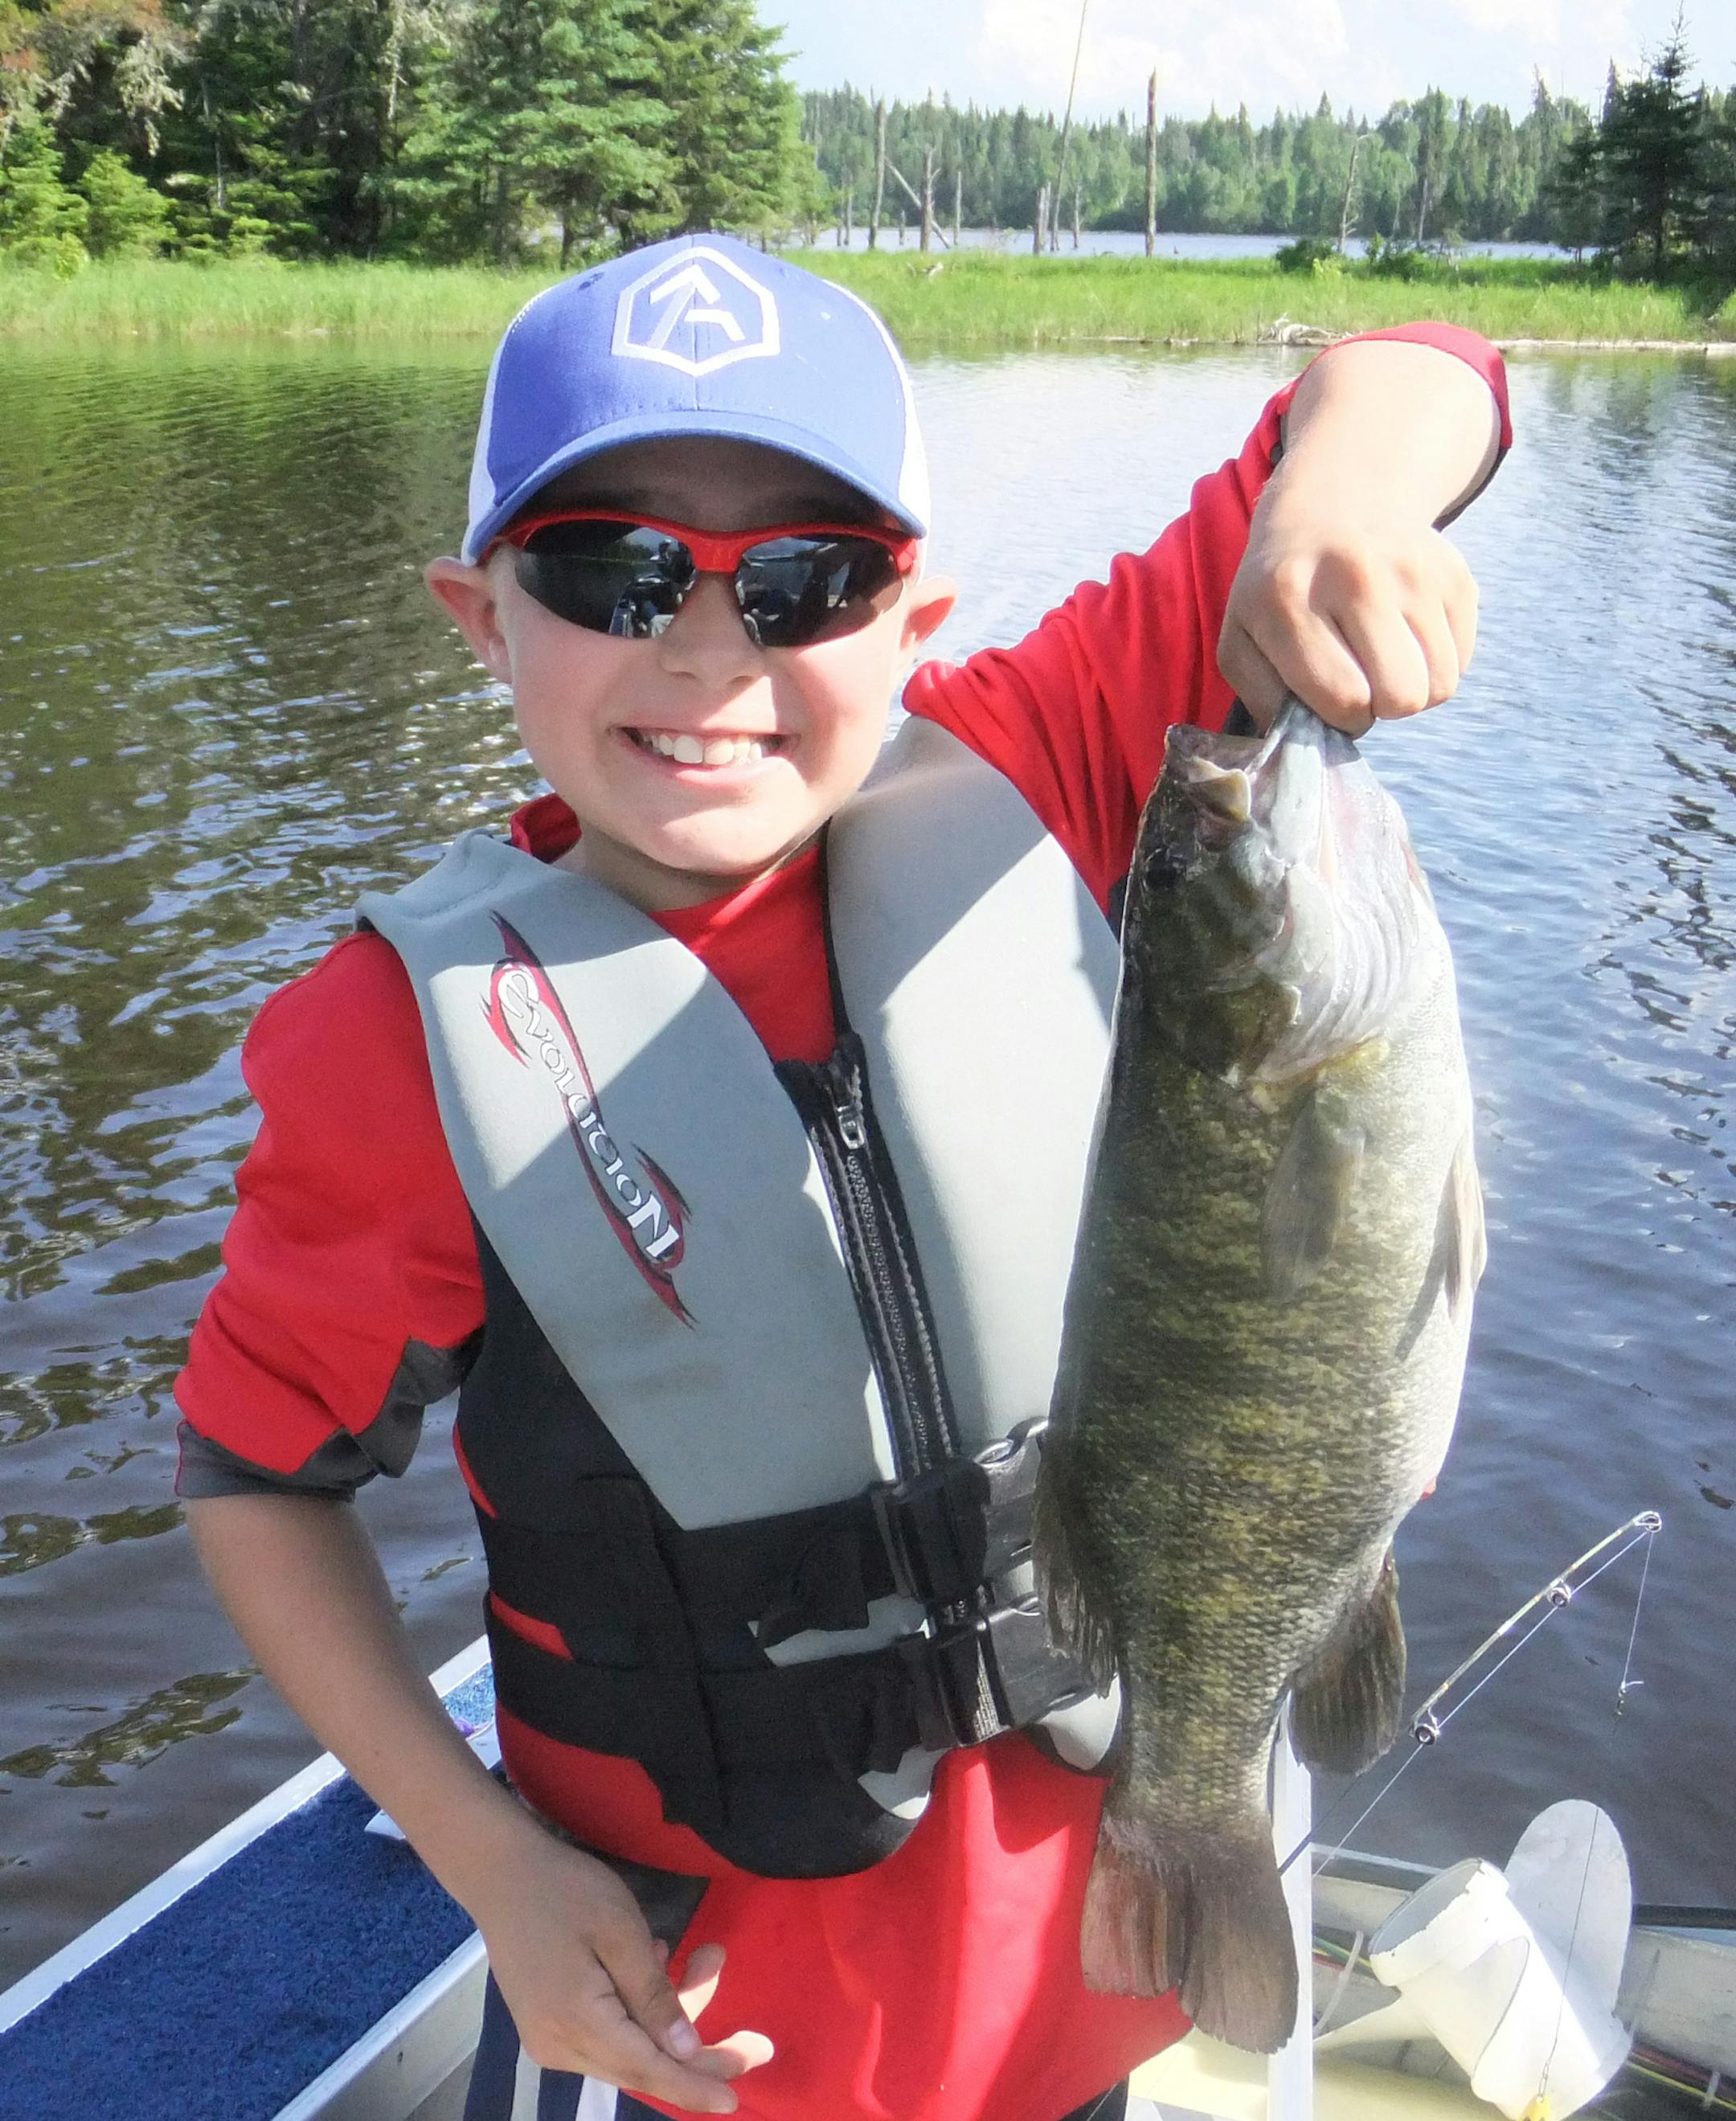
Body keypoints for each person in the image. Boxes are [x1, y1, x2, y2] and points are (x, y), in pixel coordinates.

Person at [175, 232, 1509, 2121]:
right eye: (613, 569)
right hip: (696, 2042)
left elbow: (1431, 365)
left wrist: (1344, 497)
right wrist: (491, 1866)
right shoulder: (392, 1049)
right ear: (480, 612)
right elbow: (255, 1482)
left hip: (1085, 1992)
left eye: (808, 578)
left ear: (913, 615)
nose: (711, 650)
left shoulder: (1045, 768)